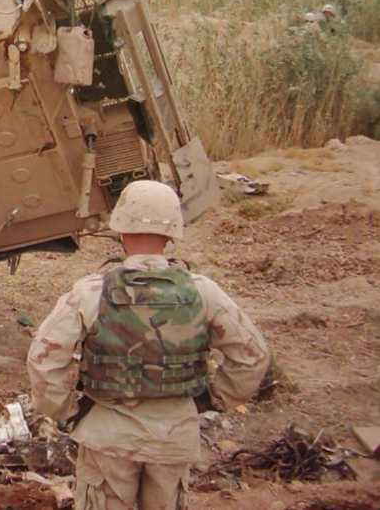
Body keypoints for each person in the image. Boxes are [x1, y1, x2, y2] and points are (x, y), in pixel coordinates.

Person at [27, 180, 270, 510]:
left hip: (107, 437)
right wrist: (214, 399)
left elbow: (44, 359)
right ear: (172, 233)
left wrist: (67, 412)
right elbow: (253, 355)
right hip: (173, 440)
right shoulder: (204, 292)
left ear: (120, 229)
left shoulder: (90, 292)